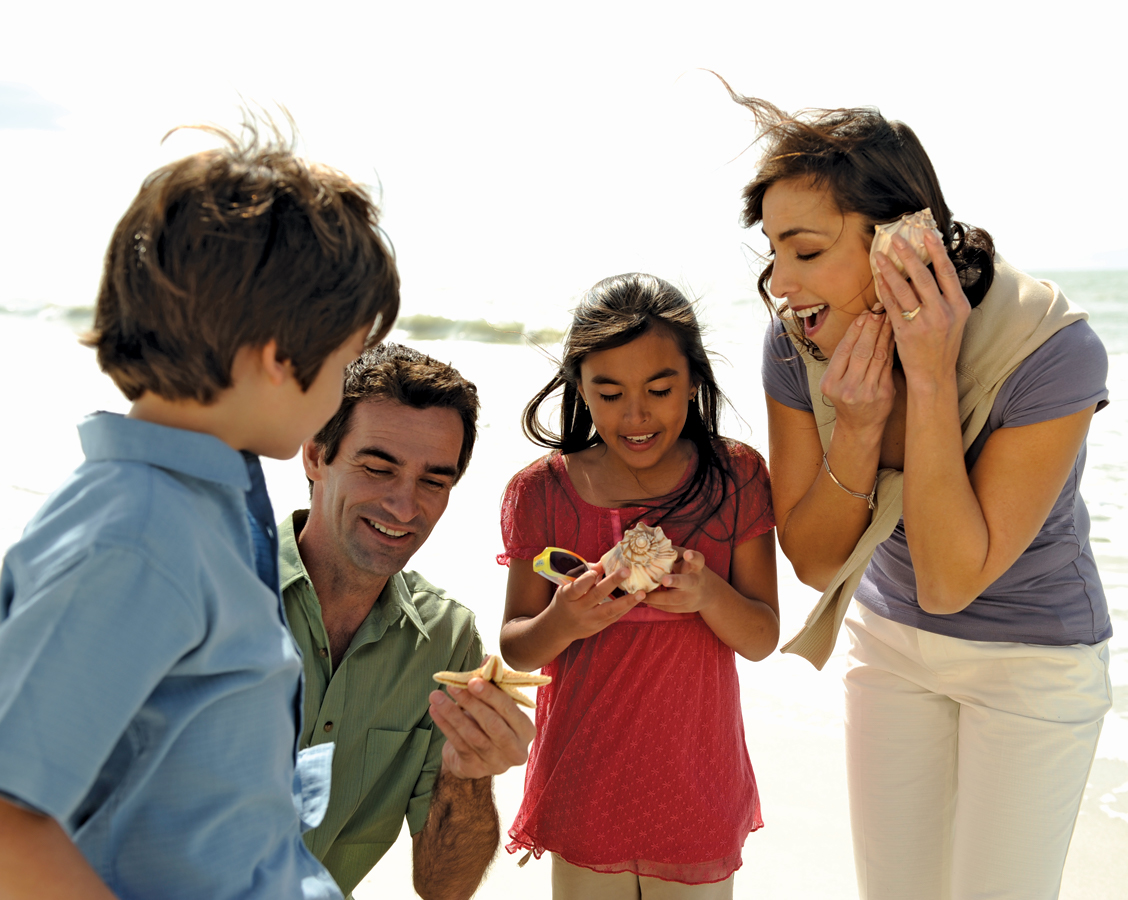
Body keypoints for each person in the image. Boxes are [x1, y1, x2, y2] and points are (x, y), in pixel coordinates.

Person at [0, 117, 399, 899]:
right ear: (282, 357)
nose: (344, 390)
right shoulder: (138, 532)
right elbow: (10, 819)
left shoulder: (202, 504)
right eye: (350, 362)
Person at [732, 86, 1113, 900]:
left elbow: (950, 580)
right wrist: (860, 427)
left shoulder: (1050, 350)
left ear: (901, 242)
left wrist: (931, 375)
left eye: (805, 250)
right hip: (890, 646)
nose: (782, 285)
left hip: (1033, 665)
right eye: (774, 252)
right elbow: (812, 560)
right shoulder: (798, 343)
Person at [498, 273, 779, 899]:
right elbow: (518, 646)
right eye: (609, 392)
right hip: (585, 784)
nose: (636, 414)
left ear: (694, 380)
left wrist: (710, 596)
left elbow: (761, 636)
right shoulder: (542, 491)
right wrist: (565, 621)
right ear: (579, 388)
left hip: (694, 790)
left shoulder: (735, 478)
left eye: (659, 388)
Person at [283, 342, 536, 899]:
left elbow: (444, 888)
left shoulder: (446, 644)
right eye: (378, 468)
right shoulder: (210, 587)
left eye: (433, 481)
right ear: (314, 455)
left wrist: (469, 773)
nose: (403, 505)